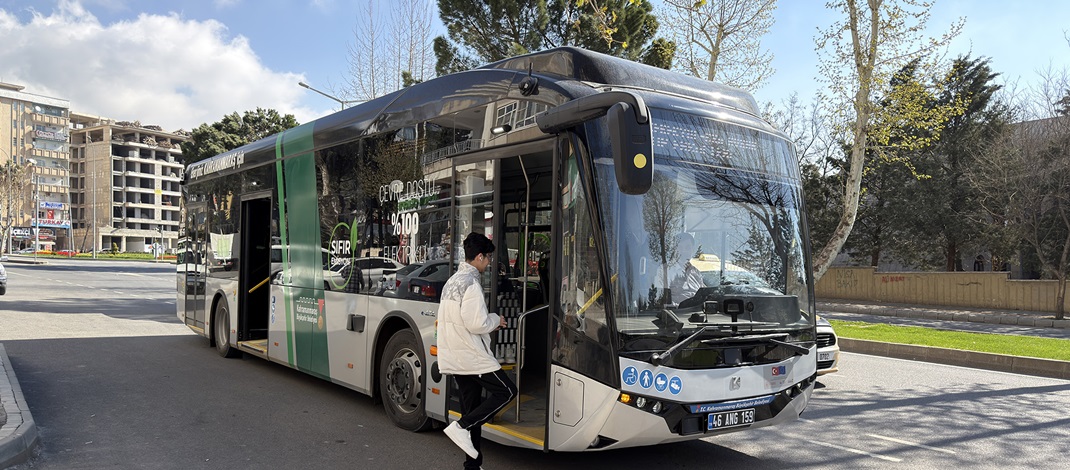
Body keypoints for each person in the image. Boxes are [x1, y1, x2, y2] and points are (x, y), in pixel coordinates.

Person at [438, 232, 517, 469]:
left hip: (455, 355)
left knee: (472, 408)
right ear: (479, 257)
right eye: (489, 258)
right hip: (471, 356)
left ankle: (472, 465)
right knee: (507, 391)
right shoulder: (471, 284)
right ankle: (460, 426)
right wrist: (496, 320)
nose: (490, 262)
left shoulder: (452, 281)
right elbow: (476, 324)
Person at [669, 232, 704, 305]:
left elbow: (704, 294)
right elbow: (661, 300)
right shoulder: (665, 271)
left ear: (693, 250)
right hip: (675, 314)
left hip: (698, 313)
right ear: (674, 250)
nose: (684, 251)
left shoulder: (696, 272)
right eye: (680, 248)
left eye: (687, 248)